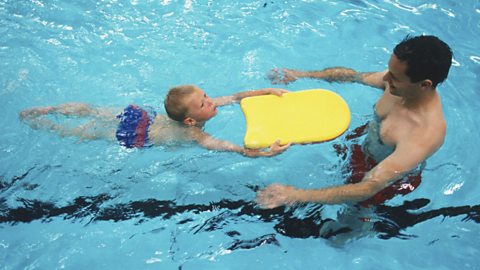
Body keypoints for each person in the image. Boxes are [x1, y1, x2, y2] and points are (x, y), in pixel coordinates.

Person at [256, 35, 453, 208]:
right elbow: (352, 76)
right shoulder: (395, 83)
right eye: (388, 71)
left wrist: (295, 195)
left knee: (341, 232)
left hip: (385, 183)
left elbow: (368, 187)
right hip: (363, 150)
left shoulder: (425, 134)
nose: (385, 78)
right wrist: (300, 74)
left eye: (394, 77)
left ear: (424, 85)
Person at [20, 85, 291, 157]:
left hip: (141, 117)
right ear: (189, 120)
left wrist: (266, 91)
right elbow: (233, 149)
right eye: (204, 103)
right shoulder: (194, 135)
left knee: (95, 112)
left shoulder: (200, 111)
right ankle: (50, 125)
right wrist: (266, 153)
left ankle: (51, 109)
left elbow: (236, 97)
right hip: (137, 136)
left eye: (207, 96)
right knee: (83, 133)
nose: (211, 101)